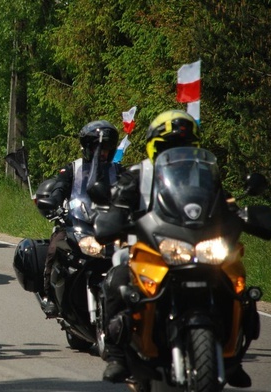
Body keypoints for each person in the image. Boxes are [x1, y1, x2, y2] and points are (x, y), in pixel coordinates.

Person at [97, 110, 251, 387]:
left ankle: (234, 354)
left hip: (197, 248)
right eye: (169, 147)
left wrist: (243, 214)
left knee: (237, 285)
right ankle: (117, 356)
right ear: (154, 146)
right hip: (148, 250)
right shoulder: (135, 175)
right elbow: (117, 204)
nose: (177, 153)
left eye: (184, 147)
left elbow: (226, 204)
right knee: (116, 280)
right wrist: (114, 217)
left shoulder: (205, 176)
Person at [35, 120, 122, 317]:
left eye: (106, 148)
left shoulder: (118, 171)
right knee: (54, 247)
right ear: (87, 147)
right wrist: (54, 202)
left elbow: (133, 195)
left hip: (108, 227)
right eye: (98, 148)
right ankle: (49, 294)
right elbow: (59, 188)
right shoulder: (72, 169)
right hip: (76, 223)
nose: (102, 152)